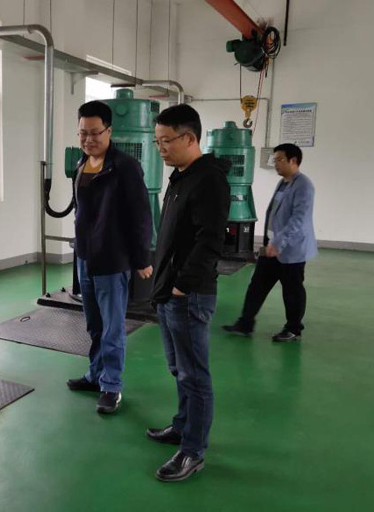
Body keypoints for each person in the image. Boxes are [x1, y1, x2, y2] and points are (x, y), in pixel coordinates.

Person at [147, 104, 230, 482]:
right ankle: (182, 427)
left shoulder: (209, 179)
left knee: (194, 376)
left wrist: (182, 286)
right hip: (169, 291)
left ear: (190, 138)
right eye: (157, 141)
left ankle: (193, 451)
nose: (160, 148)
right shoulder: (180, 177)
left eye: (166, 141)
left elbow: (210, 242)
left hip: (188, 295)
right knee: (178, 369)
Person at [66, 100, 153, 414]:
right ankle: (95, 375)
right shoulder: (82, 164)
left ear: (109, 131)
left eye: (95, 133)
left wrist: (141, 259)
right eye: (83, 133)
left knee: (113, 328)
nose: (88, 139)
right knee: (94, 325)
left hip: (112, 260)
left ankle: (111, 385)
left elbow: (140, 215)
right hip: (85, 258)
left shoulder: (124, 166)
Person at [223, 143, 317, 342]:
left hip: (290, 249)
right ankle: (245, 323)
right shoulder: (283, 183)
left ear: (293, 160)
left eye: (279, 159)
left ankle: (293, 329)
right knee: (257, 285)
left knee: (292, 290)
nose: (275, 163)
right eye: (275, 159)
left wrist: (278, 243)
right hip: (272, 246)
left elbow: (298, 220)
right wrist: (269, 242)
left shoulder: (304, 186)